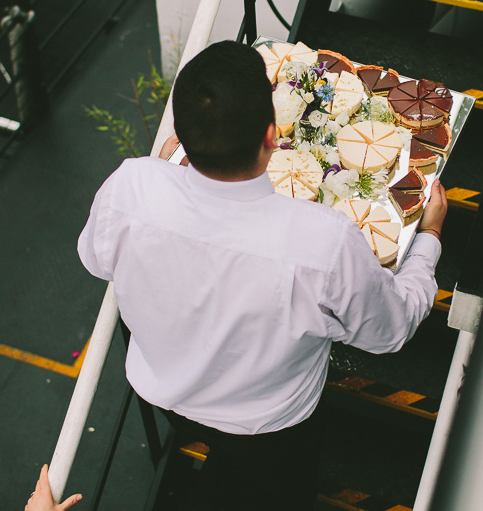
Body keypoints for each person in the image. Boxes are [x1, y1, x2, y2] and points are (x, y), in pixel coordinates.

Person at [77, 40, 447, 510]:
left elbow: (96, 259)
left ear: (181, 136)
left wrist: (160, 167)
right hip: (269, 426)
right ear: (273, 137)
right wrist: (429, 236)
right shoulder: (324, 243)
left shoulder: (131, 185)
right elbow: (390, 330)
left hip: (166, 396)